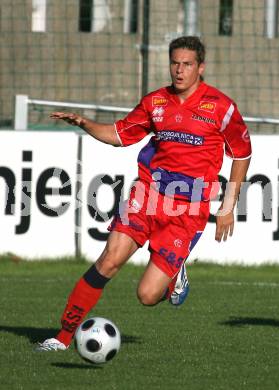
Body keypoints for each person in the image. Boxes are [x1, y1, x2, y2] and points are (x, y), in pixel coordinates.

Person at [37, 36, 251, 352]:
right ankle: (62, 337)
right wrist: (84, 123)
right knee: (108, 261)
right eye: (175, 63)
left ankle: (174, 275)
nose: (179, 70)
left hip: (187, 210)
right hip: (147, 196)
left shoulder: (221, 107)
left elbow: (242, 153)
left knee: (147, 296)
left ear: (200, 67)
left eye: (187, 64)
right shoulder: (155, 103)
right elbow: (119, 135)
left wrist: (227, 206)